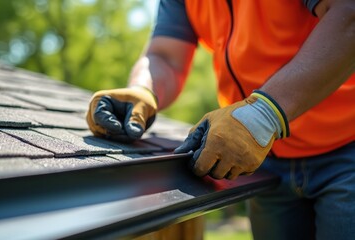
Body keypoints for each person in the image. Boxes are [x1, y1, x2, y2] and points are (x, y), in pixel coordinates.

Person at [86, 0, 355, 239]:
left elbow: (348, 14)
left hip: (346, 147)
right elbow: (165, 57)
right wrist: (143, 89)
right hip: (266, 159)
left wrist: (263, 115)